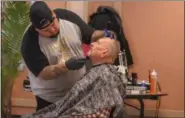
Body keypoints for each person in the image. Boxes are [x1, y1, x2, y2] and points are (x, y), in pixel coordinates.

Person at [21, 1, 116, 111]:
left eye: (53, 24)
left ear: (53, 14)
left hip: (77, 94)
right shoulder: (29, 43)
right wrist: (66, 66)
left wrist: (105, 33)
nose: (53, 30)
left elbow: (91, 35)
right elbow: (44, 73)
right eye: (46, 30)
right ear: (36, 29)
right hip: (49, 99)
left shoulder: (67, 16)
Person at [22, 38, 126, 118]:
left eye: (98, 43)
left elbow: (99, 113)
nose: (92, 43)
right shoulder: (100, 72)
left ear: (104, 53)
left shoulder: (105, 77)